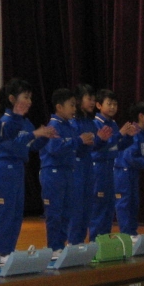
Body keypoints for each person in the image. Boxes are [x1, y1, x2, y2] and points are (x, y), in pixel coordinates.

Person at [0, 79, 57, 260]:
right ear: (12, 99)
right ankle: (1, 253)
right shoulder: (4, 122)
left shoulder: (25, 122)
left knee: (16, 213)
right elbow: (11, 144)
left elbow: (33, 146)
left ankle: (9, 251)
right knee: (6, 212)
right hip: (4, 169)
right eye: (25, 97)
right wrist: (34, 134)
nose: (29, 101)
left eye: (30, 97)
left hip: (19, 169)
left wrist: (45, 136)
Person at [42, 88, 95, 252]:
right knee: (55, 213)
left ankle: (62, 245)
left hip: (68, 171)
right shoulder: (53, 125)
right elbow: (55, 148)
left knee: (66, 212)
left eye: (75, 105)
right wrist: (78, 140)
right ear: (59, 107)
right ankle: (54, 248)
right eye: (71, 105)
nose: (74, 109)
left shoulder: (69, 126)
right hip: (53, 173)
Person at [89, 89, 135, 238]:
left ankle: (105, 239)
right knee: (99, 205)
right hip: (99, 167)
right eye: (109, 103)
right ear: (99, 105)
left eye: (115, 104)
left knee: (109, 205)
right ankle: (96, 240)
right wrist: (120, 134)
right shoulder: (95, 124)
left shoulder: (113, 123)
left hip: (111, 167)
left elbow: (117, 146)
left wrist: (128, 137)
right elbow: (102, 145)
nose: (113, 107)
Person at [114, 102, 144, 237]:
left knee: (134, 203)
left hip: (133, 172)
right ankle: (126, 235)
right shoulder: (133, 131)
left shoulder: (143, 134)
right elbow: (130, 156)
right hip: (124, 171)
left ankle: (132, 232)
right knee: (125, 203)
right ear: (141, 116)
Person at [67, 84, 101, 244]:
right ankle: (73, 242)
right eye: (89, 98)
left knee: (88, 206)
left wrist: (102, 139)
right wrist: (81, 141)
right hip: (77, 167)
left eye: (94, 99)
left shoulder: (91, 122)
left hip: (88, 166)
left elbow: (95, 145)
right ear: (79, 100)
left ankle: (80, 241)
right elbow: (73, 146)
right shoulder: (73, 122)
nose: (92, 102)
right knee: (77, 207)